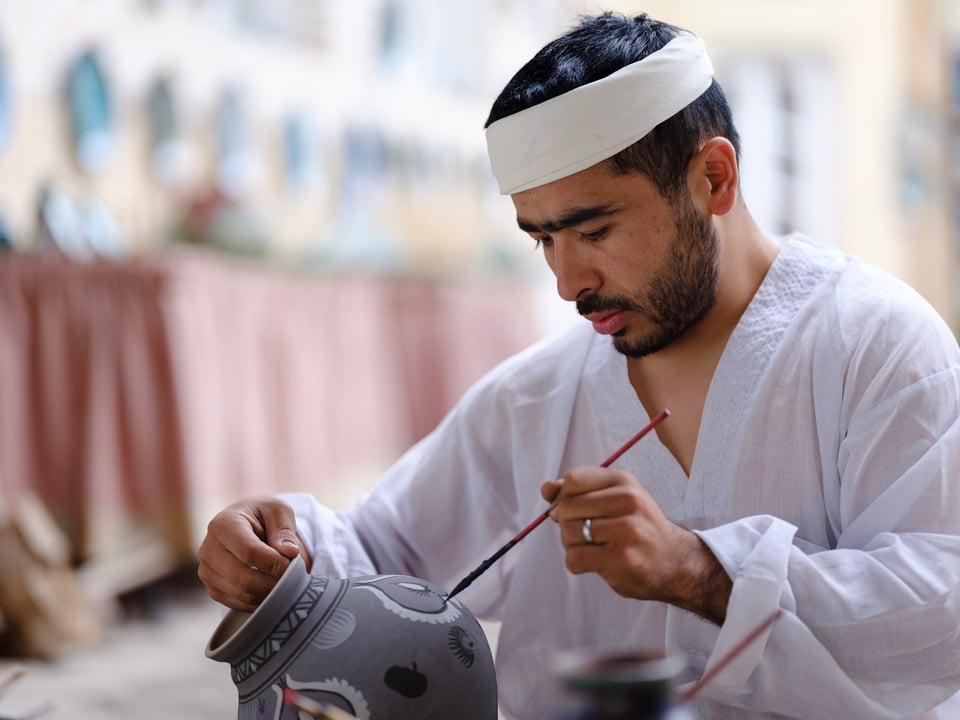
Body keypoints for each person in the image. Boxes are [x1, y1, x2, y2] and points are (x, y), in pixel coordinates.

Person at [197, 12, 960, 719]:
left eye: (593, 229)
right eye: (543, 240)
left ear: (714, 178)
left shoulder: (876, 344)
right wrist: (276, 550)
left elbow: (943, 610)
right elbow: (385, 557)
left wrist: (700, 571)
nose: (568, 283)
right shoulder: (536, 398)